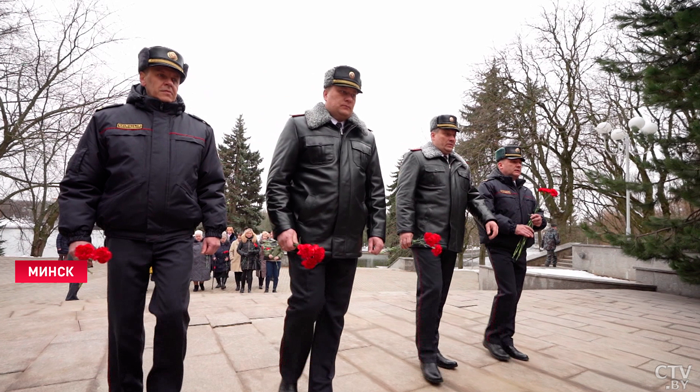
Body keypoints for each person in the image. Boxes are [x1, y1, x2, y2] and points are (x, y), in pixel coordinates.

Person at [57, 46, 226, 391]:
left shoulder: (199, 131)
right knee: (124, 322)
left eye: (175, 78)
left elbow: (211, 185)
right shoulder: (108, 122)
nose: (169, 83)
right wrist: (77, 234)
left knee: (173, 313)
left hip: (176, 238)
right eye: (162, 75)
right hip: (124, 238)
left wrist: (213, 228)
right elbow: (81, 182)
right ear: (142, 76)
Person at [266, 65, 386, 392]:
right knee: (306, 307)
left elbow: (375, 190)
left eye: (353, 94)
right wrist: (284, 226)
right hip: (308, 241)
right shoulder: (299, 127)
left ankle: (321, 384)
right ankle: (289, 379)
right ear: (325, 94)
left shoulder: (366, 138)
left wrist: (377, 230)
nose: (348, 98)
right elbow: (278, 182)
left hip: (347, 244)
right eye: (342, 92)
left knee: (334, 315)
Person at [396, 114, 499, 384]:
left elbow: (472, 196)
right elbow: (404, 194)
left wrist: (488, 217)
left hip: (451, 240)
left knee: (439, 295)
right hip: (426, 238)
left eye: (454, 133)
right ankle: (427, 355)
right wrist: (405, 228)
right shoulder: (418, 158)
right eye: (445, 133)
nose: (452, 138)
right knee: (430, 292)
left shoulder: (461, 165)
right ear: (433, 135)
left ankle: (433, 347)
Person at [478, 146, 546, 363]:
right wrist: (513, 227)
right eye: (513, 161)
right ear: (500, 164)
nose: (519, 165)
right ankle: (492, 338)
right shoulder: (489, 187)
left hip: (520, 248)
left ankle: (507, 339)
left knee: (514, 294)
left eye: (520, 162)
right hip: (500, 246)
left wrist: (539, 221)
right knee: (507, 292)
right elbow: (485, 214)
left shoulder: (526, 192)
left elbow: (537, 216)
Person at [237, 228, 261, 293]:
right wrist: (243, 253)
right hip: (244, 259)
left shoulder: (255, 241)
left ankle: (249, 288)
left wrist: (253, 252)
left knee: (250, 274)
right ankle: (242, 287)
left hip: (252, 259)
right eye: (247, 233)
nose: (249, 234)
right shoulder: (243, 241)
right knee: (243, 274)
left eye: (250, 233)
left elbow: (258, 250)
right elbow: (238, 249)